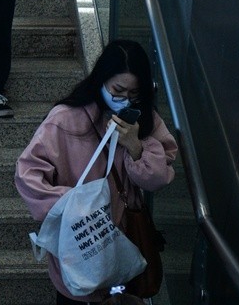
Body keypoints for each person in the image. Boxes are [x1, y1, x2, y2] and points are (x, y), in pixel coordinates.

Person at [15, 40, 179, 304]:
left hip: (125, 243)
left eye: (134, 93)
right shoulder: (65, 120)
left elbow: (158, 179)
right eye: (118, 90)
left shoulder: (145, 120)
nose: (124, 99)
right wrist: (69, 207)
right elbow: (28, 174)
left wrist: (136, 146)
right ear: (101, 80)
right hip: (81, 243)